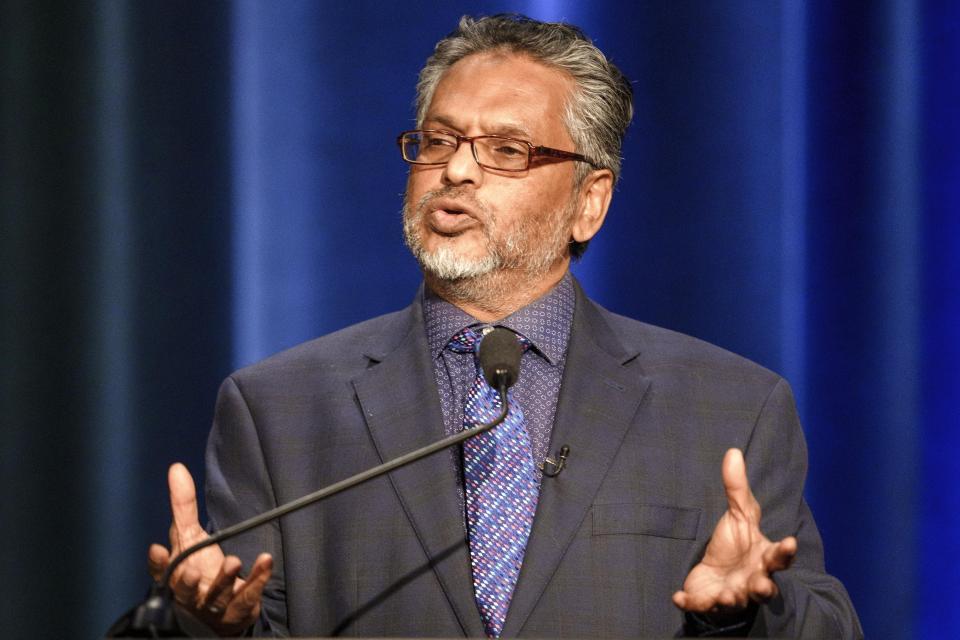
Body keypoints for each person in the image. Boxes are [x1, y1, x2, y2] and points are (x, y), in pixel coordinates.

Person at [148, 14, 862, 638]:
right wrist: (213, 625)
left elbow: (827, 626)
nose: (456, 169)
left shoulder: (731, 407)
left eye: (506, 149)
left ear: (591, 201)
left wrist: (742, 615)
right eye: (438, 140)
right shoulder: (279, 408)